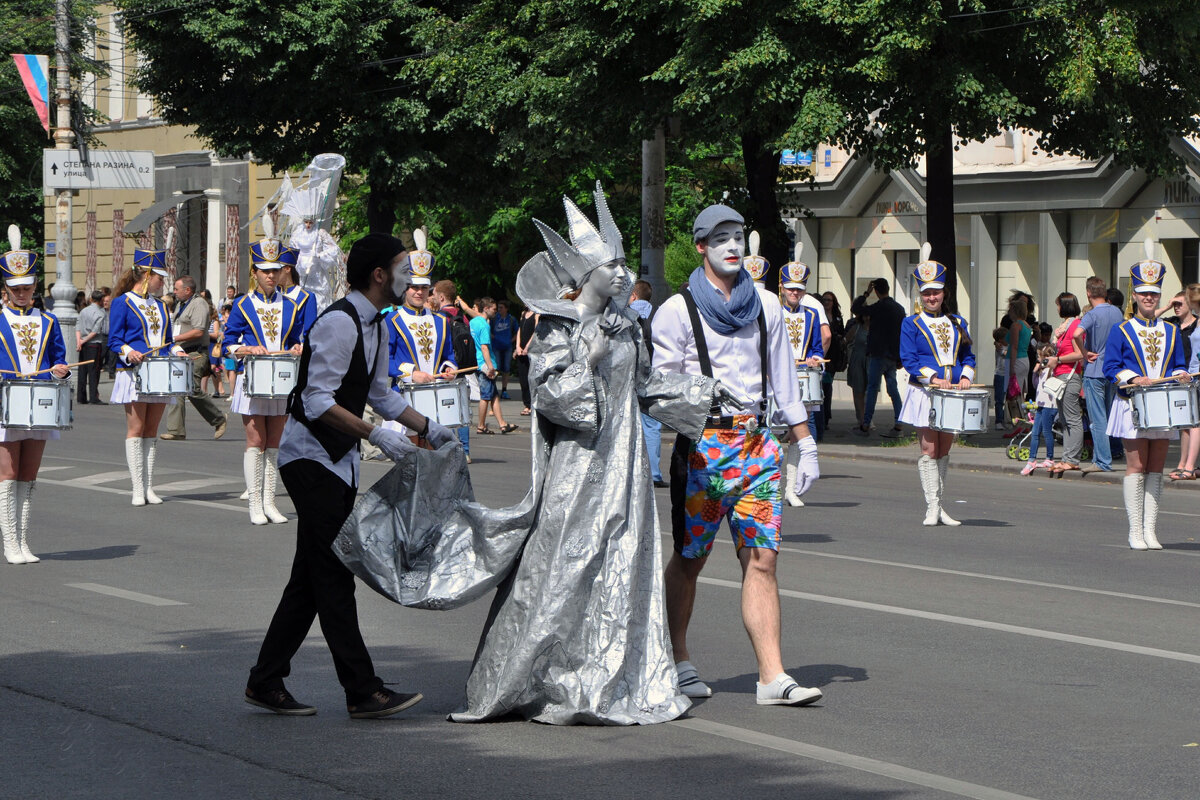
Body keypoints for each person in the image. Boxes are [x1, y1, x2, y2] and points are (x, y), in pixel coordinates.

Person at [245, 232, 457, 719]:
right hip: (308, 458)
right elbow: (315, 400)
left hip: (339, 461)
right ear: (379, 275)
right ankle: (362, 690)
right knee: (336, 573)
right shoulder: (338, 324)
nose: (411, 277)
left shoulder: (378, 326)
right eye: (403, 268)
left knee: (309, 579)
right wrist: (375, 435)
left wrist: (432, 427)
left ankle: (265, 679)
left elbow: (381, 393)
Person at [654, 204, 822, 707]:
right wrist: (701, 400)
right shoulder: (677, 310)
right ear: (701, 247)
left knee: (764, 559)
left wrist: (806, 442)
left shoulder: (767, 306)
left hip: (758, 447)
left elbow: (785, 377)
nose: (732, 246)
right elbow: (662, 390)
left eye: (738, 237)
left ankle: (772, 676)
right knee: (691, 558)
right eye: (720, 238)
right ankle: (678, 658)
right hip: (703, 451)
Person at [1102, 246, 1191, 550]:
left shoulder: (1171, 330)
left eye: (1153, 294)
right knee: (1136, 467)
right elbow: (1110, 367)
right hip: (1132, 405)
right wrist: (1134, 378)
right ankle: (1134, 530)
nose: (1149, 298)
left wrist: (1181, 374)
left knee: (1156, 468)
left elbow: (1179, 362)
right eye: (1143, 293)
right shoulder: (1121, 330)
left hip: (1163, 407)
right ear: (1136, 295)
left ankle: (1151, 530)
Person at [224, 228, 305, 525]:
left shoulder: (291, 305)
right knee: (256, 439)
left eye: (275, 270)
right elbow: (227, 342)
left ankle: (270, 501)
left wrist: (298, 347)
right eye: (264, 271)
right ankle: (254, 503)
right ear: (254, 272)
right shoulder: (243, 304)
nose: (271, 276)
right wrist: (244, 348)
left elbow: (297, 338)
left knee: (276, 441)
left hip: (281, 379)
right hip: (254, 378)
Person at [0, 227, 70, 564]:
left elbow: (60, 357)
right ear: (6, 289)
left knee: (29, 475)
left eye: (27, 287)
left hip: (40, 402)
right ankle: (9, 543)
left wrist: (61, 369)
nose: (23, 293)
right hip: (6, 402)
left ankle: (24, 541)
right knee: (8, 474)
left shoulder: (50, 320)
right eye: (16, 288)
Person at [897, 244, 976, 526]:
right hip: (926, 392)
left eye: (936, 292)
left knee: (945, 451)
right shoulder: (911, 323)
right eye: (927, 293)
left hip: (953, 394)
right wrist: (933, 378)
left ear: (944, 293)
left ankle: (941, 506)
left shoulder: (958, 322)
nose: (932, 297)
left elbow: (969, 355)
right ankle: (931, 507)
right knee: (929, 450)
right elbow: (909, 359)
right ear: (920, 294)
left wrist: (965, 375)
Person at [108, 240, 188, 506]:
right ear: (146, 276)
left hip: (159, 371)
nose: (162, 283)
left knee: (152, 430)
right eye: (159, 278)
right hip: (134, 372)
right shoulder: (122, 302)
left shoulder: (160, 305)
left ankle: (149, 486)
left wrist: (177, 351)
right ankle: (136, 487)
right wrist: (128, 352)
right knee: (137, 428)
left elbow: (168, 339)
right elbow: (115, 340)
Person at [385, 232, 456, 421]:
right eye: (413, 287)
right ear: (405, 288)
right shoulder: (392, 320)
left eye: (424, 288)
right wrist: (412, 374)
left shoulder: (441, 321)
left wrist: (449, 369)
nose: (419, 292)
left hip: (436, 396)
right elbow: (385, 360)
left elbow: (448, 355)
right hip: (403, 397)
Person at [778, 251, 825, 507]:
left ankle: (791, 488)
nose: (795, 293)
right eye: (791, 289)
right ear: (783, 288)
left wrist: (815, 358)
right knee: (771, 433)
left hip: (803, 381)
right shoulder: (773, 312)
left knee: (797, 434)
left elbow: (817, 347)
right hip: (777, 380)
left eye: (799, 289)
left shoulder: (812, 315)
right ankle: (770, 486)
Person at [161, 276, 228, 441]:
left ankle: (218, 418)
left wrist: (176, 338)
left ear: (188, 290)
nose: (174, 292)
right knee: (177, 388)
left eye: (177, 289)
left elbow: (199, 331)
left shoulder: (199, 304)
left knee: (192, 389)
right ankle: (175, 430)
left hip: (195, 352)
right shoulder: (181, 304)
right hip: (181, 352)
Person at [1075, 277, 1124, 473]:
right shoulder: (1117, 312)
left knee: (1098, 418)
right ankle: (1104, 456)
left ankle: (1102, 460)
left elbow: (1076, 334)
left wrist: (1085, 352)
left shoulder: (1092, 314)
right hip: (1112, 370)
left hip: (1095, 370)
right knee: (1108, 415)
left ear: (1088, 293)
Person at [851, 277, 905, 435]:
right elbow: (901, 334)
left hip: (878, 354)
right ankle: (899, 421)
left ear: (876, 290)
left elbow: (856, 308)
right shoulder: (899, 309)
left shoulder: (878, 307)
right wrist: (900, 357)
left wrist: (865, 294)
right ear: (888, 288)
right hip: (892, 356)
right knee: (893, 389)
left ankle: (866, 423)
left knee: (873, 388)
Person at [629, 279, 665, 486]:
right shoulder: (659, 314)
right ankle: (653, 473)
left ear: (633, 296)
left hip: (629, 376)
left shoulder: (625, 314)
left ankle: (629, 472)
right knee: (651, 425)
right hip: (652, 376)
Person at [432, 280, 473, 461]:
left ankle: (447, 449)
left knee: (445, 410)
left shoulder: (438, 318)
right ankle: (465, 451)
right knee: (462, 410)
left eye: (433, 294)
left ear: (441, 297)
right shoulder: (462, 317)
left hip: (444, 370)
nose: (432, 297)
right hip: (462, 370)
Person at [1046, 293, 1086, 476]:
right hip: (1062, 375)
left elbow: (1080, 354)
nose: (1057, 308)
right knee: (1065, 419)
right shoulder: (1066, 326)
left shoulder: (1075, 326)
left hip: (1070, 376)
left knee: (1071, 419)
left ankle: (1072, 459)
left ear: (1065, 306)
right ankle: (1067, 458)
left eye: (1058, 305)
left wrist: (1058, 359)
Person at [1166, 287, 1200, 480]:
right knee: (1190, 423)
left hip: (1196, 376)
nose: (1177, 306)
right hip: (1193, 376)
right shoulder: (1196, 320)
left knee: (1194, 423)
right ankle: (1187, 465)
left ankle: (1188, 467)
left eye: (1183, 301)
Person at [470, 297, 517, 434]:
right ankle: (481, 426)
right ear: (486, 308)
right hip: (484, 364)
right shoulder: (484, 325)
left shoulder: (473, 322)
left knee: (494, 395)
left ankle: (503, 424)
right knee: (485, 396)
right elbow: (484, 347)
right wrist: (490, 366)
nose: (496, 312)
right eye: (494, 309)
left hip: (477, 361)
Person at [1020, 343, 1059, 474]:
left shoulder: (1053, 370)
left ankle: (1050, 457)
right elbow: (1035, 384)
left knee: (1047, 432)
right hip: (1041, 404)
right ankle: (1032, 460)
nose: (1038, 359)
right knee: (1035, 432)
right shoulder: (1042, 370)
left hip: (1050, 405)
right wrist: (1035, 371)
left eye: (1040, 357)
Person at [1004, 293, 1033, 428]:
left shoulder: (1016, 325)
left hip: (1015, 359)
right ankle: (1021, 416)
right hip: (1025, 358)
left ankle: (1015, 418)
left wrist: (1011, 368)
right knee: (1020, 391)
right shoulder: (1027, 325)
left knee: (1012, 390)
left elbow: (1014, 346)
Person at [75, 290, 108, 405]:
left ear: (91, 299)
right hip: (94, 343)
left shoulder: (84, 311)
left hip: (83, 344)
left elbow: (78, 326)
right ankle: (94, 396)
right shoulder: (100, 313)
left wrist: (79, 341)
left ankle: (81, 396)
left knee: (82, 370)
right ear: (100, 301)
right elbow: (95, 331)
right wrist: (84, 340)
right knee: (94, 371)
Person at [820, 291, 845, 427]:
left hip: (833, 356)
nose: (826, 303)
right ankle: (823, 415)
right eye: (824, 300)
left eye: (829, 300)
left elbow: (841, 332)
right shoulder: (819, 314)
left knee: (827, 385)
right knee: (824, 386)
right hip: (823, 354)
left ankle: (826, 416)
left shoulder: (837, 317)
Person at [845, 309, 869, 426]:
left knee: (869, 391)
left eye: (870, 316)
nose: (868, 318)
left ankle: (868, 417)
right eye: (865, 316)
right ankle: (861, 418)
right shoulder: (857, 328)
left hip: (871, 363)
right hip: (857, 361)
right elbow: (845, 341)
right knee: (858, 391)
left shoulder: (877, 329)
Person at [514, 304, 537, 416]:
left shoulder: (537, 314)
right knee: (523, 379)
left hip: (531, 350)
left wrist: (528, 347)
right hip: (521, 350)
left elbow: (536, 331)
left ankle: (532, 404)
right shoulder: (523, 314)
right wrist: (518, 346)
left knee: (531, 378)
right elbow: (519, 330)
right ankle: (526, 404)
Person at [491, 299, 515, 398]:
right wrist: (494, 337)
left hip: (507, 347)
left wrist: (511, 341)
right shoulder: (494, 319)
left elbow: (517, 332)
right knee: (496, 368)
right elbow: (488, 329)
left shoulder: (511, 319)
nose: (499, 310)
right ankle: (494, 389)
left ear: (506, 309)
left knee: (506, 369)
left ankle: (504, 390)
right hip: (496, 346)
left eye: (501, 308)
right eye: (498, 307)